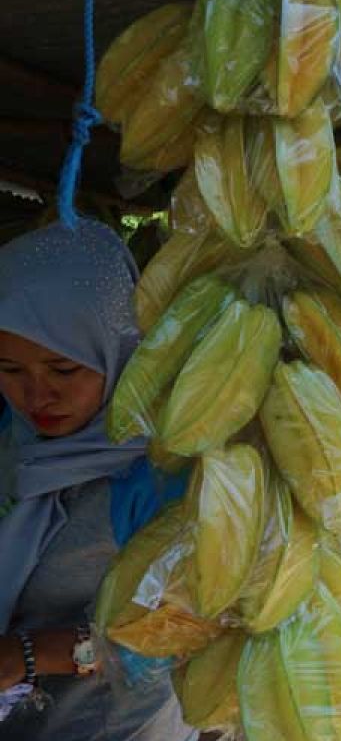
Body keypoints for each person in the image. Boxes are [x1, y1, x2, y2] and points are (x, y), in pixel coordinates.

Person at [0, 220, 194, 740]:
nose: (36, 396)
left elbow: (178, 633)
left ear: (119, 349)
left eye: (64, 370)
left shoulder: (159, 473)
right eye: (9, 368)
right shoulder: (11, 437)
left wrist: (29, 654)